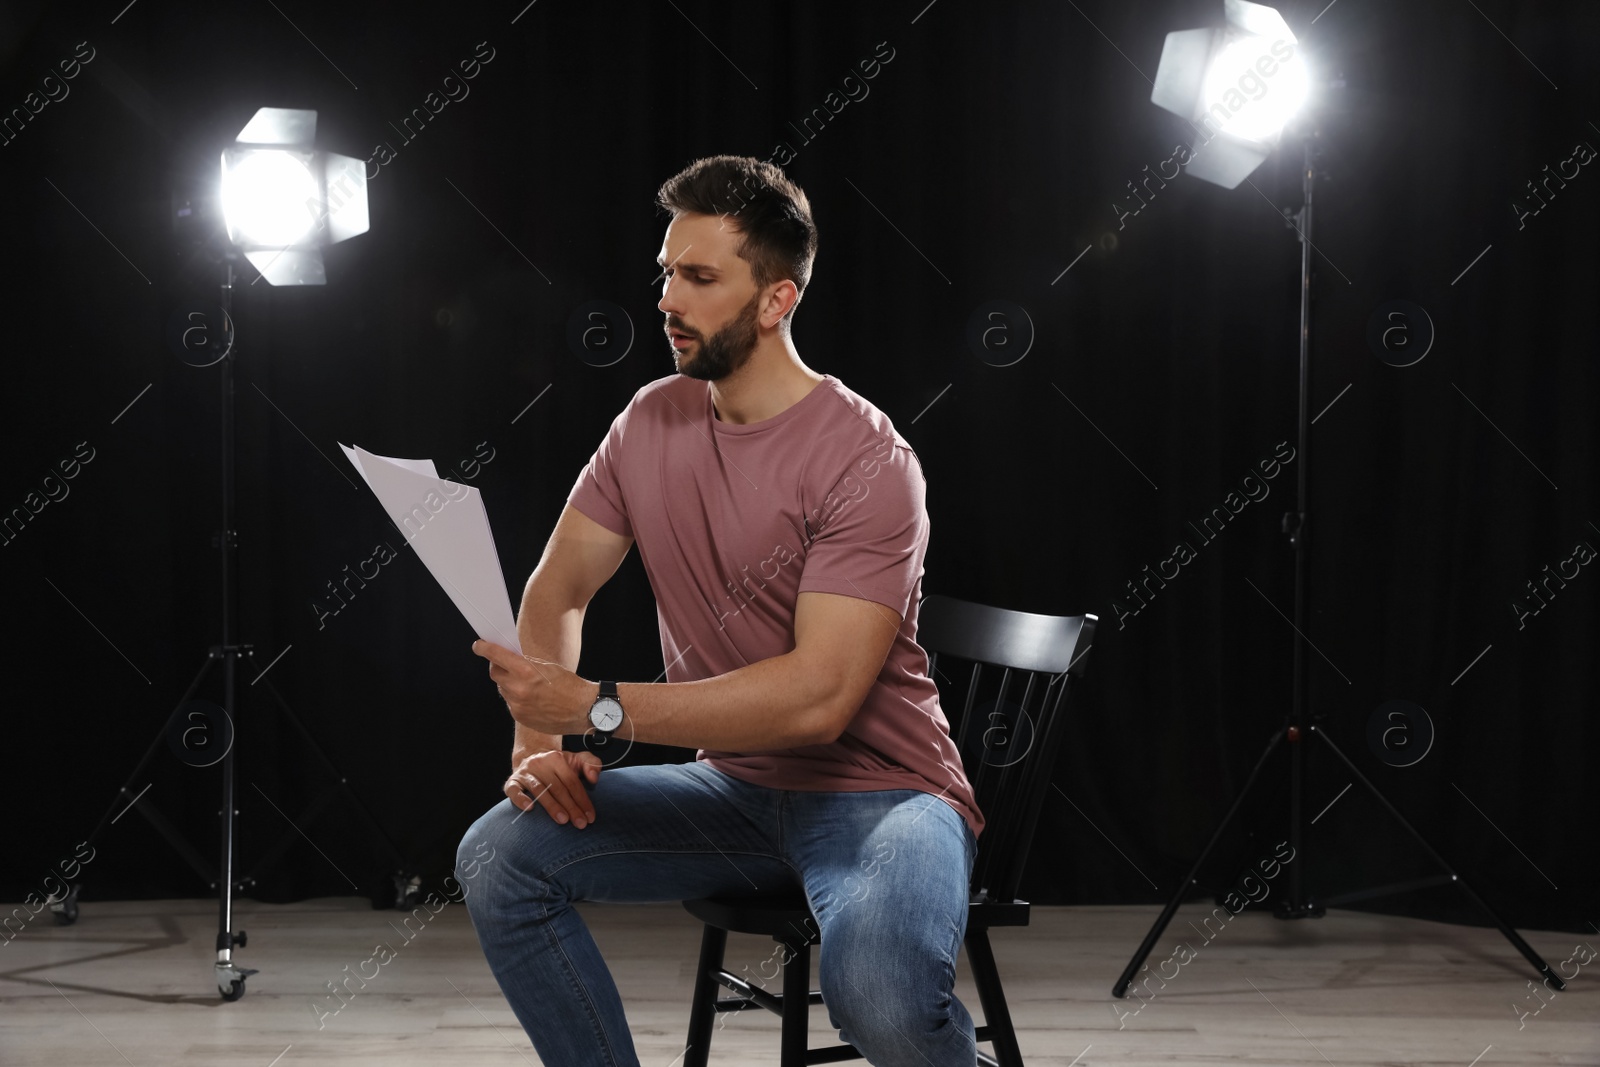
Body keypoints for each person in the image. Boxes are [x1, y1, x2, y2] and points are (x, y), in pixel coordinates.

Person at [457, 154, 983, 1067]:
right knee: (498, 856)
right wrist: (538, 748)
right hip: (731, 794)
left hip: (885, 796)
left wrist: (594, 708)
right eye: (667, 271)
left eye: (699, 278)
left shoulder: (868, 458)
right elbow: (555, 591)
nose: (668, 298)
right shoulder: (648, 421)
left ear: (777, 300)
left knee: (881, 996)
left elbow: (818, 698)